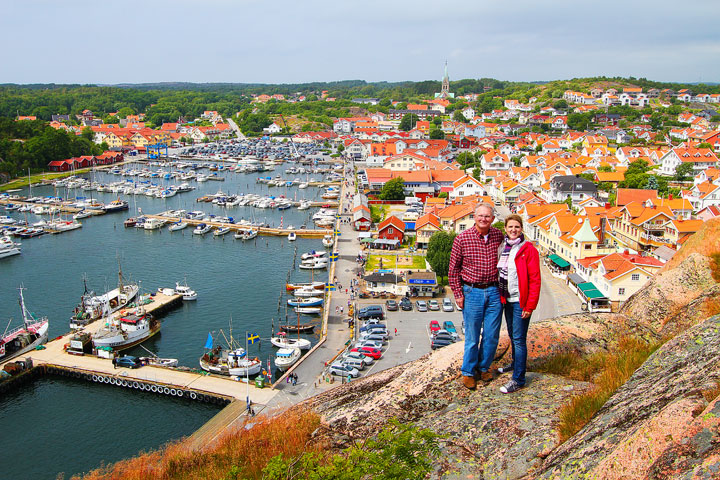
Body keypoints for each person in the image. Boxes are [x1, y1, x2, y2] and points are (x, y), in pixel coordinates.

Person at [449, 203, 504, 390]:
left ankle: (484, 367)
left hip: (494, 291)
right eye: (481, 216)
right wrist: (458, 294)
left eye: (487, 216)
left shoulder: (498, 236)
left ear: (493, 219)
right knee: (472, 336)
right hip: (472, 291)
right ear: (474, 217)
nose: (484, 219)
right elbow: (453, 270)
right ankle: (468, 372)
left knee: (491, 335)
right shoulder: (462, 239)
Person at [495, 215, 541, 394]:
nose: (513, 230)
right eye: (510, 227)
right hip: (507, 299)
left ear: (522, 229)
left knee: (519, 339)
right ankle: (515, 364)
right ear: (505, 228)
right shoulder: (503, 247)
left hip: (520, 301)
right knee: (513, 335)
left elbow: (535, 279)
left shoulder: (528, 249)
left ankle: (518, 379)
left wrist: (530, 306)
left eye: (517, 227)